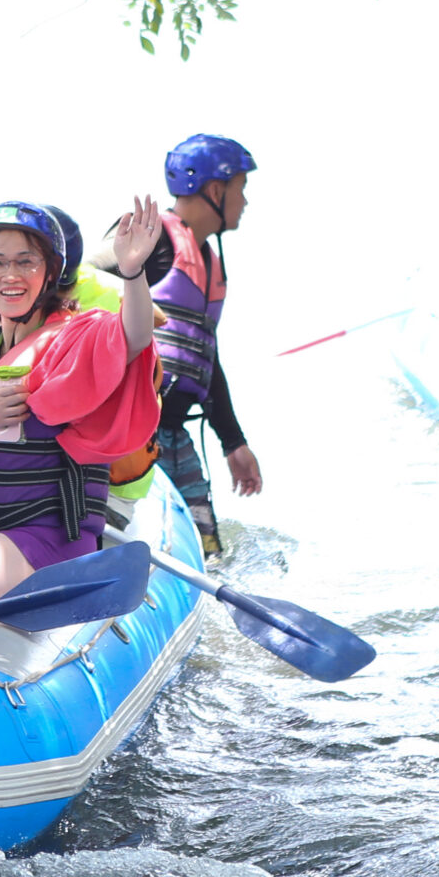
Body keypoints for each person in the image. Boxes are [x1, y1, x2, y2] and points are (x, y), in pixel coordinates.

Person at [0, 198, 165, 598]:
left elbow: (132, 337)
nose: (11, 275)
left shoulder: (78, 338)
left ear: (51, 272)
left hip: (47, 540)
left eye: (26, 262)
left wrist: (132, 273)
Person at [152, 132, 261, 560]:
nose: (245, 202)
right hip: (135, 436)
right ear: (216, 190)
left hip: (176, 435)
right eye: (241, 189)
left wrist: (233, 442)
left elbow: (204, 359)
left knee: (210, 551)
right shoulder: (150, 242)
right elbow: (81, 280)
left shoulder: (207, 261)